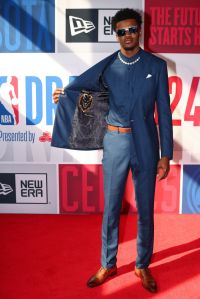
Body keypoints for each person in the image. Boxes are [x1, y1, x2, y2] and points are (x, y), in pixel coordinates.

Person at [52, 8, 173, 293]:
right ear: (115, 34)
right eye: (121, 31)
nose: (127, 35)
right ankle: (108, 262)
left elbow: (164, 113)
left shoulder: (155, 66)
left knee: (145, 209)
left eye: (132, 29)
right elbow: (85, 94)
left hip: (145, 144)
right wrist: (64, 94)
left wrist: (165, 154)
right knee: (111, 208)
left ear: (139, 31)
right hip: (115, 143)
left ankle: (142, 265)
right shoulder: (107, 66)